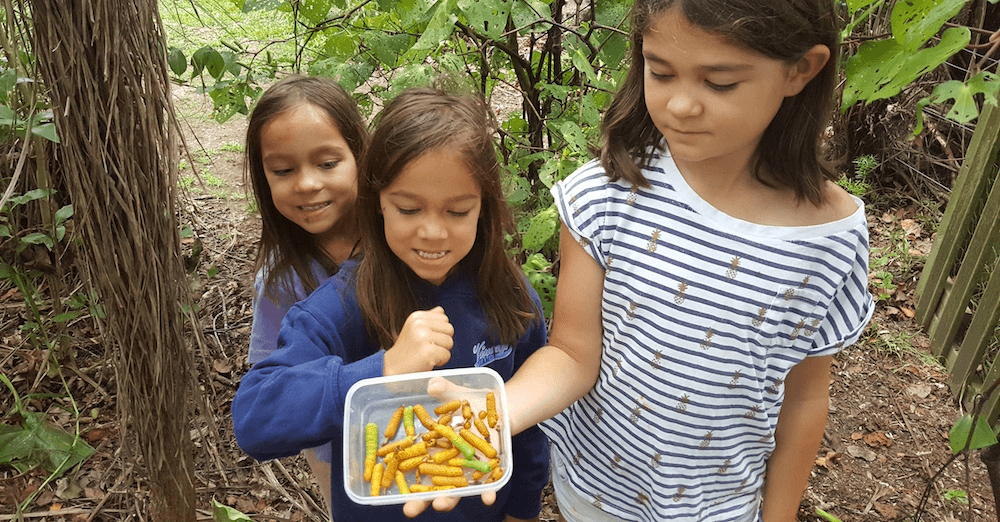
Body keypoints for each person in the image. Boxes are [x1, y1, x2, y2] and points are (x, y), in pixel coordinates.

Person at [501, 1, 876, 521]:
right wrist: (488, 416)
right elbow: (571, 354)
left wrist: (780, 515)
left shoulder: (830, 239)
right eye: (660, 71)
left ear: (800, 70)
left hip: (720, 507)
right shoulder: (607, 193)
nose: (680, 105)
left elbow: (805, 398)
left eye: (719, 83)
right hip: (595, 492)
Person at [232, 86, 550, 522]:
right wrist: (382, 371)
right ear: (378, 201)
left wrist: (524, 510)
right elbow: (256, 419)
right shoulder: (343, 305)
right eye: (408, 209)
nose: (433, 232)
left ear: (485, 209)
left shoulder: (512, 299)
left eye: (457, 212)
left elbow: (527, 424)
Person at [244, 74, 368, 514]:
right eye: (283, 170)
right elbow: (272, 382)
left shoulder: (398, 242)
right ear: (264, 177)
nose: (307, 184)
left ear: (360, 156)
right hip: (336, 451)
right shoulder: (282, 281)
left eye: (328, 163)